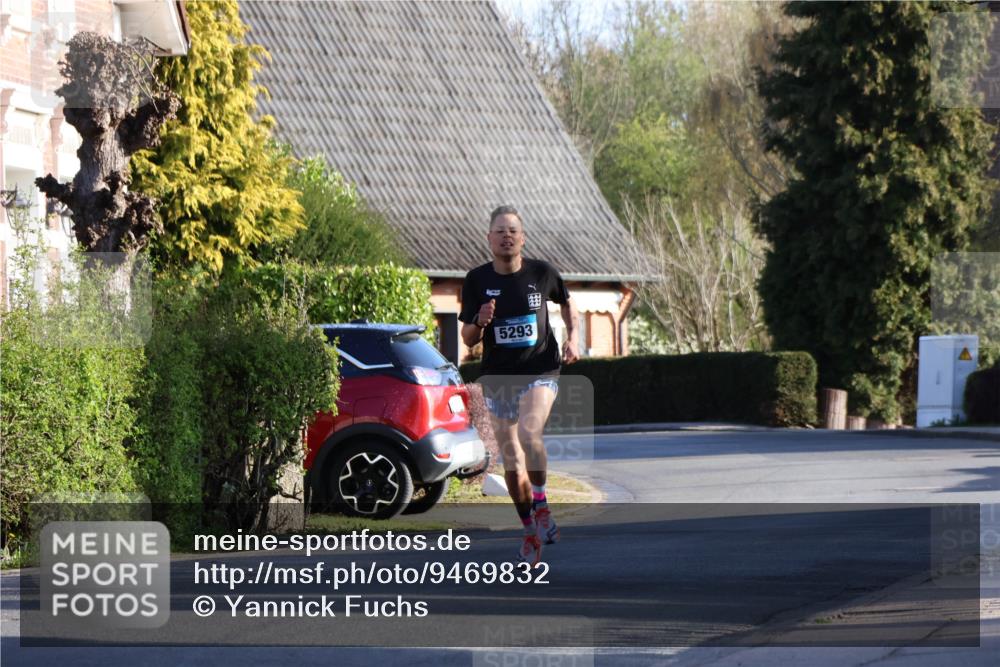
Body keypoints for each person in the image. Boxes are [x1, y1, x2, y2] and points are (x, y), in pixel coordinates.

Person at [459, 205, 580, 566]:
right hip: (499, 378)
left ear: (522, 237)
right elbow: (467, 338)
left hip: (541, 369)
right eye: (500, 231)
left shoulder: (542, 273)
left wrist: (574, 338)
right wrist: (479, 322)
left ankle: (540, 502)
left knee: (530, 432)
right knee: (511, 462)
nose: (506, 236)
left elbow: (568, 304)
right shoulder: (476, 280)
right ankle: (530, 530)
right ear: (489, 239)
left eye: (513, 230)